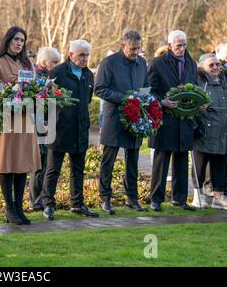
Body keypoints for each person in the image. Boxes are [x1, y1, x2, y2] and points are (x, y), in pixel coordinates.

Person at [0, 26, 41, 225]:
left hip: (26, 120)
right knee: (7, 164)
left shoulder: (28, 64)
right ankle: (9, 208)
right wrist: (12, 96)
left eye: (22, 40)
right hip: (6, 121)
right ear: (8, 40)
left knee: (21, 164)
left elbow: (36, 89)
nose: (19, 43)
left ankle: (19, 207)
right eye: (16, 39)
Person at [148, 30, 208, 212]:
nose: (182, 48)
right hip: (165, 118)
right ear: (169, 46)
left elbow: (195, 88)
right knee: (162, 158)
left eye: (184, 45)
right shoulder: (157, 64)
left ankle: (180, 199)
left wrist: (200, 103)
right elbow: (150, 90)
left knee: (182, 158)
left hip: (185, 119)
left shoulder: (191, 63)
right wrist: (162, 102)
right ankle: (156, 199)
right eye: (178, 45)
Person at [42, 40, 99, 220]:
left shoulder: (88, 75)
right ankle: (48, 204)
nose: (85, 58)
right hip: (59, 128)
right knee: (53, 170)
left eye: (87, 55)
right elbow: (45, 99)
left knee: (78, 170)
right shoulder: (57, 73)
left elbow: (88, 100)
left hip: (80, 129)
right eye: (81, 55)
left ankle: (77, 204)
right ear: (71, 54)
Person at [95, 29, 149, 214]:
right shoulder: (108, 63)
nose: (136, 52)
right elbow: (100, 89)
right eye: (133, 49)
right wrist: (125, 99)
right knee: (108, 161)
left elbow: (145, 88)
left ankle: (132, 198)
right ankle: (105, 198)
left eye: (138, 49)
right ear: (122, 45)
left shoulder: (141, 63)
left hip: (135, 119)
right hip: (115, 119)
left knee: (133, 160)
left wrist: (144, 101)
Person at [192, 53, 227, 209]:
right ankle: (197, 196)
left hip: (222, 131)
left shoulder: (224, 80)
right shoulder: (198, 81)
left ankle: (218, 198)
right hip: (205, 129)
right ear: (202, 67)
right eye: (211, 65)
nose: (215, 67)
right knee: (199, 165)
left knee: (219, 165)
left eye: (217, 64)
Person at [28, 46, 61, 211]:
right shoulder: (36, 77)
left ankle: (41, 197)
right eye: (54, 62)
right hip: (38, 123)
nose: (57, 64)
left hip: (47, 123)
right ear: (44, 61)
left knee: (46, 162)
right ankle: (35, 200)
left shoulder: (50, 76)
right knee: (39, 162)